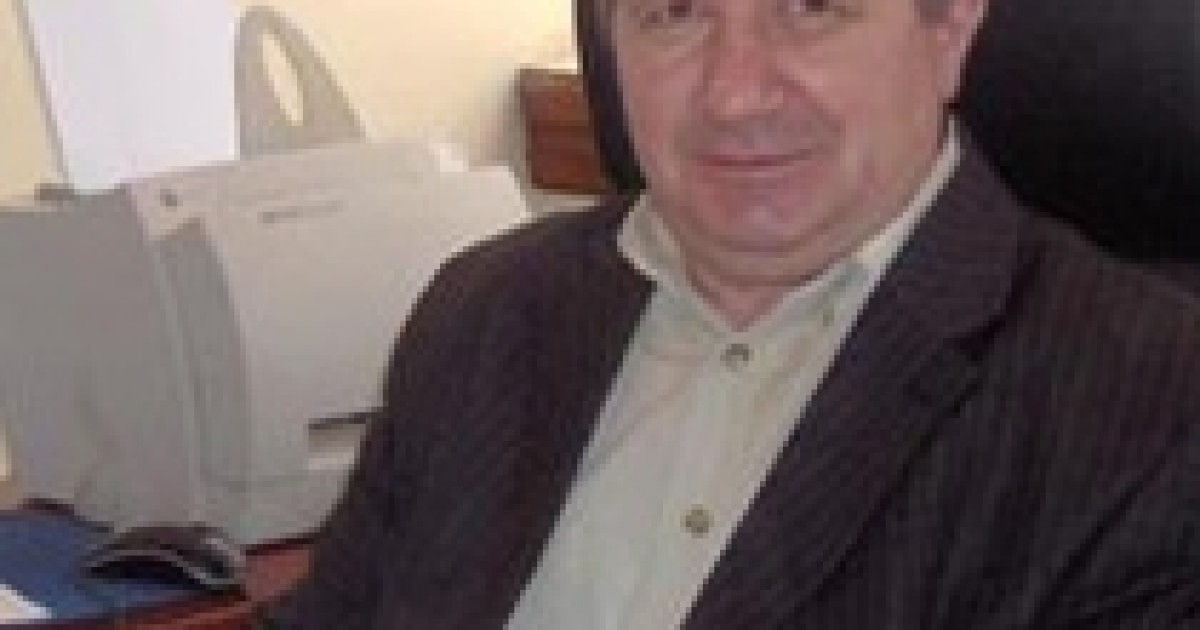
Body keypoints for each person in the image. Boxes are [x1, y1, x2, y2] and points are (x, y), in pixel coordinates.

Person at [264, 0, 1200, 626]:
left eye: (810, 7)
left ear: (949, 26)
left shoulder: (1152, 408)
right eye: (675, 12)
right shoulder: (487, 313)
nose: (735, 92)